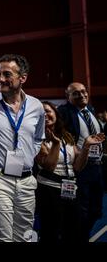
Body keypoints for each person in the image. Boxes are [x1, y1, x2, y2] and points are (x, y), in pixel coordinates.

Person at [0, 54, 45, 242]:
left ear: (22, 78)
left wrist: (27, 155)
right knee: (2, 238)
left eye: (7, 74)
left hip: (26, 180)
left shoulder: (36, 106)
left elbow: (38, 138)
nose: (1, 79)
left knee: (24, 236)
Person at [35, 101, 104, 242]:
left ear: (55, 113)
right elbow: (49, 166)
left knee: (73, 231)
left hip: (71, 188)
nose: (45, 114)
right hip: (49, 189)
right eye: (41, 113)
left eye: (48, 111)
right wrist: (55, 144)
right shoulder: (36, 138)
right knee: (51, 232)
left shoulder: (67, 136)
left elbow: (77, 167)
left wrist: (86, 147)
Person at [57, 82, 105, 241]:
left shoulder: (90, 110)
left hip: (97, 167)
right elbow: (60, 134)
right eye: (76, 93)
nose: (82, 95)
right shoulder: (64, 112)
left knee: (96, 210)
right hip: (79, 168)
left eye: (84, 91)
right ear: (68, 96)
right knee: (80, 211)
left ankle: (80, 236)